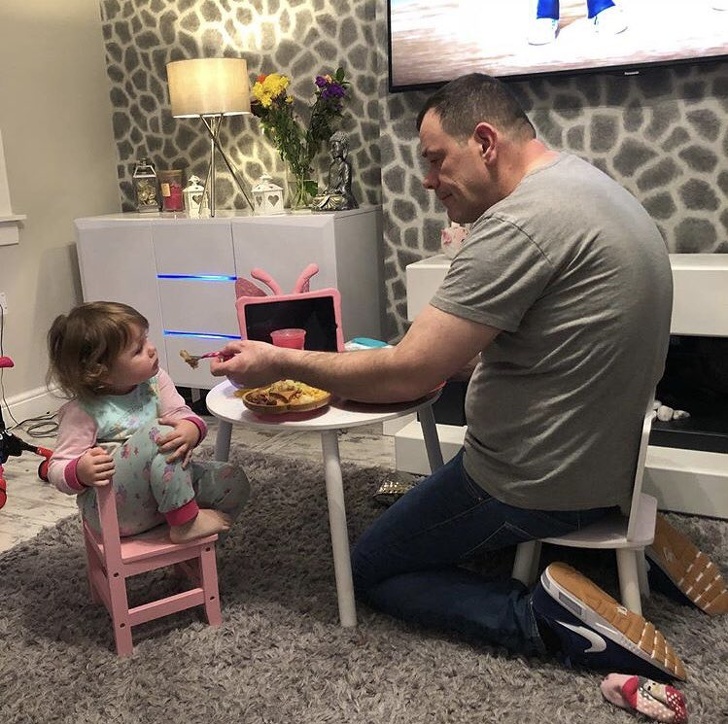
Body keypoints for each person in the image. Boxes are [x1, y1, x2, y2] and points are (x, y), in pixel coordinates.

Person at [210, 73, 683, 681]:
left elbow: (407, 375)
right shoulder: (588, 186)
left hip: (533, 482)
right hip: (609, 465)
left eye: (435, 160)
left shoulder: (518, 225)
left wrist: (278, 361)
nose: (428, 181)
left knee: (370, 566)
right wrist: (413, 359)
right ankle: (635, 548)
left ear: (484, 141)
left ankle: (547, 621)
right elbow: (551, 340)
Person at [47, 301, 249, 543]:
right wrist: (80, 471)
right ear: (101, 371)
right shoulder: (83, 410)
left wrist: (191, 428)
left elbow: (181, 413)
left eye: (146, 339)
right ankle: (185, 523)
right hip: (113, 511)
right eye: (138, 350)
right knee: (159, 431)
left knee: (233, 480)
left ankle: (197, 542)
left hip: (164, 496)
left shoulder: (156, 381)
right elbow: (56, 468)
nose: (151, 349)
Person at [312, 131, 358, 211]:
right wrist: (327, 190)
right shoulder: (331, 166)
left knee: (341, 200)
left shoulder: (345, 165)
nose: (332, 150)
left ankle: (329, 204)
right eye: (331, 148)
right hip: (332, 195)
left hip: (340, 195)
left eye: (334, 147)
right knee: (317, 200)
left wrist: (337, 190)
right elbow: (329, 185)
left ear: (343, 147)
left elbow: (345, 186)